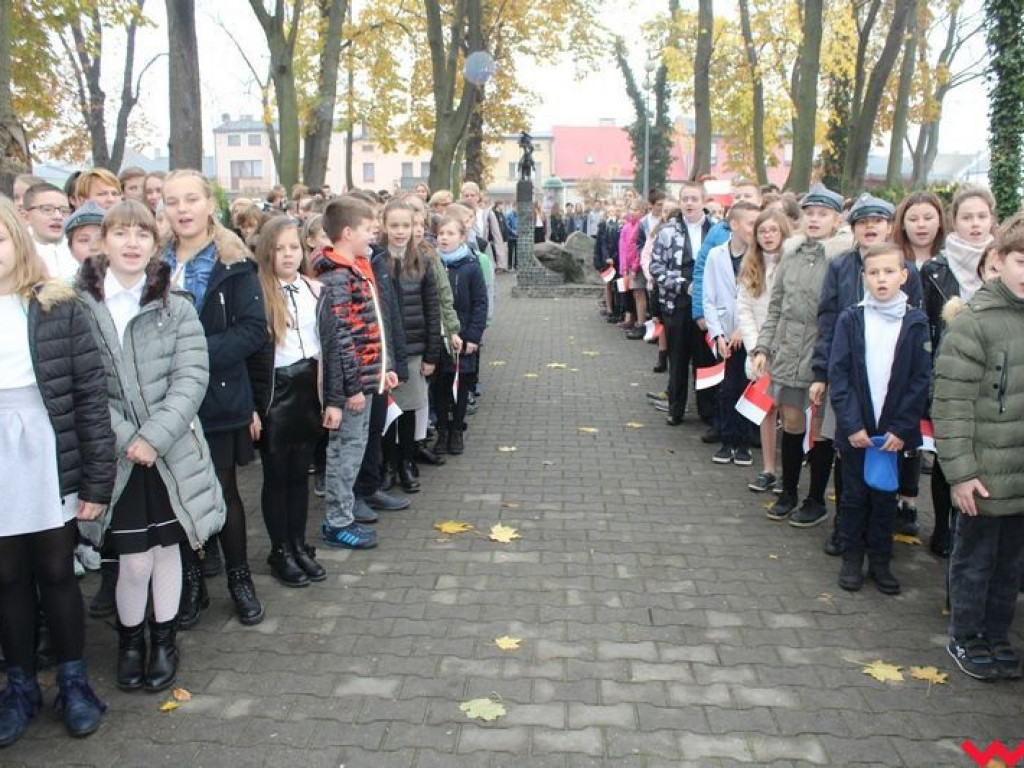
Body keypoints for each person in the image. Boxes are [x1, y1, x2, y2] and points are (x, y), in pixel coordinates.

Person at [76, 200, 225, 693]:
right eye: (121, 233)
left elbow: (192, 375)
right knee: (134, 559)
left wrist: (155, 435)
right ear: (104, 241)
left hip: (172, 451)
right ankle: (130, 642)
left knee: (169, 554)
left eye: (142, 233)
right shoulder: (83, 309)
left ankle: (164, 640)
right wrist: (130, 439)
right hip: (119, 457)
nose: (132, 242)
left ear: (154, 240)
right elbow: (87, 386)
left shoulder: (174, 304)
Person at [0, 197, 114, 745]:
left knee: (56, 570)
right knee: (6, 577)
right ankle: (20, 684)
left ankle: (73, 679)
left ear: (17, 241)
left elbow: (90, 396)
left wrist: (95, 478)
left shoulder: (54, 305)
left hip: (47, 450)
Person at [162, 169, 267, 627]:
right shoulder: (152, 261)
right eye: (172, 201)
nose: (182, 209)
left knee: (223, 492)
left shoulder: (234, 261)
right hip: (164, 403)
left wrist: (193, 356)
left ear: (209, 204)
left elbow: (252, 331)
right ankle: (191, 584)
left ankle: (240, 579)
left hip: (219, 397)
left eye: (191, 199)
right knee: (177, 496)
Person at [933, 214, 1024, 681]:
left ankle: (996, 633)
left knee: (1011, 565)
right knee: (975, 561)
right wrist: (961, 472)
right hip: (984, 474)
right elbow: (951, 403)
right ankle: (965, 636)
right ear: (999, 261)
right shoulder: (975, 323)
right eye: (1021, 260)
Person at [810, 195, 923, 537]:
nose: (870, 226)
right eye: (862, 222)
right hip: (847, 377)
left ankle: (879, 534)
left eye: (878, 220)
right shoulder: (841, 266)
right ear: (853, 228)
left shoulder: (908, 270)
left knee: (886, 456)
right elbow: (827, 319)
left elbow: (914, 326)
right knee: (846, 451)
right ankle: (845, 525)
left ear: (890, 226)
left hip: (888, 384)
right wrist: (821, 372)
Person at [829, 243, 931, 595]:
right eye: (873, 273)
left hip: (893, 433)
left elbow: (920, 380)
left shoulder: (916, 322)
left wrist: (902, 428)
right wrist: (852, 425)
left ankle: (881, 561)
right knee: (854, 497)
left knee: (886, 498)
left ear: (904, 276)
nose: (881, 279)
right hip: (858, 429)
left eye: (889, 272)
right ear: (864, 278)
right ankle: (852, 559)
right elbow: (839, 375)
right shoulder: (850, 318)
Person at [752, 184, 853, 522]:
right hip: (788, 349)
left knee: (822, 426)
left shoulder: (844, 259)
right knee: (792, 422)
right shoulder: (790, 254)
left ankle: (816, 499)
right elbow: (776, 306)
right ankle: (789, 490)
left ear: (837, 218)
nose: (814, 219)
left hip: (824, 352)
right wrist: (764, 346)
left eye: (822, 214)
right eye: (809, 213)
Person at [251, 216, 333, 587]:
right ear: (267, 251)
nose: (287, 255)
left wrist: (332, 398)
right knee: (277, 476)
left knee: (300, 474)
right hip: (275, 393)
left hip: (307, 388)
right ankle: (280, 548)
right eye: (280, 248)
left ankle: (299, 544)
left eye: (294, 247)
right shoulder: (258, 293)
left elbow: (329, 346)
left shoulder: (315, 290)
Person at [312, 196, 398, 549]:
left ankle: (342, 516)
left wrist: (382, 372)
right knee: (344, 454)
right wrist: (352, 388)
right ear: (347, 233)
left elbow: (370, 327)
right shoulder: (337, 277)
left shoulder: (356, 267)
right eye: (367, 229)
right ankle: (337, 522)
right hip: (352, 388)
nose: (372, 234)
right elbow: (342, 338)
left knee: (354, 449)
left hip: (365, 380)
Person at [921, 185, 996, 559]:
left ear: (992, 219)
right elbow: (924, 326)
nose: (975, 224)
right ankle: (943, 526)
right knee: (945, 452)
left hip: (994, 378)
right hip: (947, 373)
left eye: (982, 216)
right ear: (955, 221)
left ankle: (982, 527)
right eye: (967, 217)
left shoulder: (1006, 261)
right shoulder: (935, 268)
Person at [380, 200, 441, 491]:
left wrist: (432, 353)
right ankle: (388, 464)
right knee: (387, 412)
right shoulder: (376, 261)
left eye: (406, 225)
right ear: (384, 227)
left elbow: (432, 309)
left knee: (408, 410)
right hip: (385, 353)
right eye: (394, 226)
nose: (400, 232)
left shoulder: (422, 262)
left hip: (415, 348)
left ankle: (406, 462)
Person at [737, 208, 791, 492]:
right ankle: (768, 468)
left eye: (773, 230)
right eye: (762, 231)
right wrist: (757, 348)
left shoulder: (793, 263)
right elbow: (744, 310)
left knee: (790, 412)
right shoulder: (750, 265)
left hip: (790, 348)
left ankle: (787, 470)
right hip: (760, 349)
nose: (768, 236)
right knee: (766, 410)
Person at [702, 201, 760, 466]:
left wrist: (742, 330)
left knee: (747, 386)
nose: (754, 229)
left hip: (750, 334)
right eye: (750, 223)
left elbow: (759, 298)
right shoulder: (716, 255)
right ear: (734, 225)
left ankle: (745, 442)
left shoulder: (760, 256)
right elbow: (709, 298)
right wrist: (718, 335)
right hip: (724, 333)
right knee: (726, 388)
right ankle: (727, 439)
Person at [650, 182, 712, 427]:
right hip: (677, 303)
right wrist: (683, 285)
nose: (689, 203)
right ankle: (676, 408)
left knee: (705, 358)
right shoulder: (667, 231)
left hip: (706, 304)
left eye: (694, 198)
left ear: (703, 201)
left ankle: (707, 409)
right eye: (685, 198)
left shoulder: (717, 231)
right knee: (678, 357)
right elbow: (656, 267)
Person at [433, 213, 487, 455]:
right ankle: (442, 431)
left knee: (460, 388)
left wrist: (473, 337)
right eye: (441, 234)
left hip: (463, 337)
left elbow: (480, 303)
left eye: (450, 234)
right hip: (438, 339)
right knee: (440, 388)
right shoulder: (431, 264)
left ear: (462, 237)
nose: (444, 238)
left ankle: (457, 430)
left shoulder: (471, 266)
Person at [20, 183, 77, 281]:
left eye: (64, 211)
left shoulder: (80, 247)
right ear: (26, 217)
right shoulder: (16, 253)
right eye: (47, 209)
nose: (58, 216)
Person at [460, 181, 507, 272]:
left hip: (483, 253)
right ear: (462, 197)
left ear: (478, 197)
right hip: (464, 255)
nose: (469, 198)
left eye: (472, 195)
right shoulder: (457, 212)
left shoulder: (486, 214)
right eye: (466, 195)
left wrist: (501, 263)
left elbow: (497, 237)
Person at [893, 191, 946, 270]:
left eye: (928, 218)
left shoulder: (951, 260)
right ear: (902, 224)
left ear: (940, 221)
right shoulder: (890, 260)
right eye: (913, 219)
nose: (921, 225)